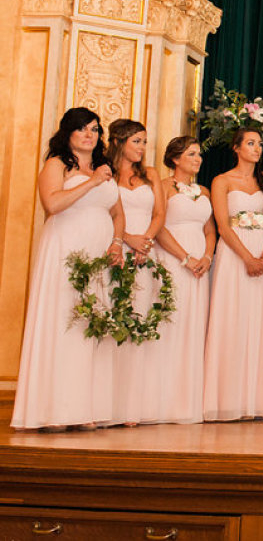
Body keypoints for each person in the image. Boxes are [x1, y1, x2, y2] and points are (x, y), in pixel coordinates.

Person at [12, 108, 123, 430]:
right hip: (65, 249)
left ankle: (84, 408)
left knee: (91, 325)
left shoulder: (103, 167)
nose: (90, 135)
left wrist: (116, 243)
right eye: (83, 129)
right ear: (68, 133)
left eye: (95, 129)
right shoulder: (57, 163)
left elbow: (117, 212)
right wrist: (90, 183)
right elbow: (53, 204)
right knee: (63, 321)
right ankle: (54, 410)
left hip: (98, 253)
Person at [205, 126, 263, 421]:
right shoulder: (222, 180)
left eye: (259, 144)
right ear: (236, 148)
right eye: (250, 143)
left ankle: (257, 400)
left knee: (260, 323)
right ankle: (227, 401)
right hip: (234, 253)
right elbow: (223, 225)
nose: (257, 148)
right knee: (231, 319)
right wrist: (247, 258)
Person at [151, 135, 216, 424]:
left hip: (201, 266)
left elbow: (210, 229)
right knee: (171, 323)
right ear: (175, 159)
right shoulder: (164, 187)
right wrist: (185, 258)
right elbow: (159, 226)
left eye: (199, 154)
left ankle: (187, 401)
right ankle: (161, 400)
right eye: (191, 154)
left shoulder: (204, 190)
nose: (198, 159)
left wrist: (207, 257)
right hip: (174, 259)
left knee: (194, 325)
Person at [108, 118, 167, 426]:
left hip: (145, 252)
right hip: (116, 249)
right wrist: (125, 239)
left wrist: (144, 241)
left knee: (140, 321)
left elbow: (159, 213)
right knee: (114, 320)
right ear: (118, 141)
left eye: (145, 142)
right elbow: (104, 211)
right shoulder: (104, 174)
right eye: (137, 141)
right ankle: (110, 402)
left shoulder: (151, 174)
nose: (143, 148)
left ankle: (135, 404)